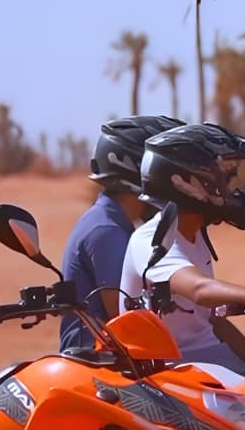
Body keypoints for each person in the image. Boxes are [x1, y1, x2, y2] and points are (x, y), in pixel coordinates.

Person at [121, 123, 245, 374]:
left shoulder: (195, 235)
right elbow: (200, 290)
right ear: (191, 184)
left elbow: (209, 318)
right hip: (173, 371)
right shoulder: (151, 240)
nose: (230, 191)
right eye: (223, 180)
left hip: (210, 361)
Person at [60, 115, 184, 350]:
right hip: (97, 360)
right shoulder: (107, 231)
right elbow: (124, 317)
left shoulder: (110, 221)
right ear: (138, 170)